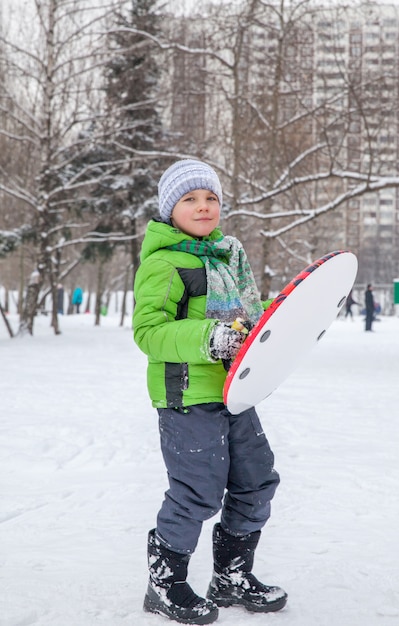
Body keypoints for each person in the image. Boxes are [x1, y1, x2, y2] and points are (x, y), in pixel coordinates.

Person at [133, 159, 287, 625]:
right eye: (190, 199)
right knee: (198, 490)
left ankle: (232, 576)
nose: (203, 207)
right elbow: (148, 332)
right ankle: (165, 583)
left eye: (211, 198)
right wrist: (208, 337)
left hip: (235, 390)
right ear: (169, 209)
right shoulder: (164, 263)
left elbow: (248, 320)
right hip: (186, 394)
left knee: (257, 480)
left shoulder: (227, 257)